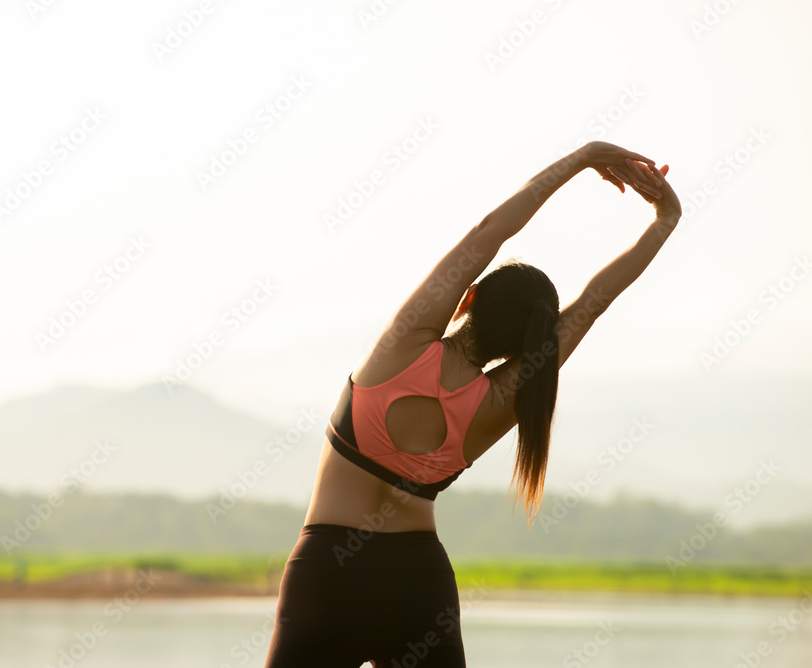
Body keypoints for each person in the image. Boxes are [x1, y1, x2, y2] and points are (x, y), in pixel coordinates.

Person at [263, 141, 682, 667]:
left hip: (325, 574)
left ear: (469, 298)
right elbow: (593, 304)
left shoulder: (404, 343)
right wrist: (666, 219)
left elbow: (490, 232)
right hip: (418, 585)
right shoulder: (503, 399)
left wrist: (582, 158)